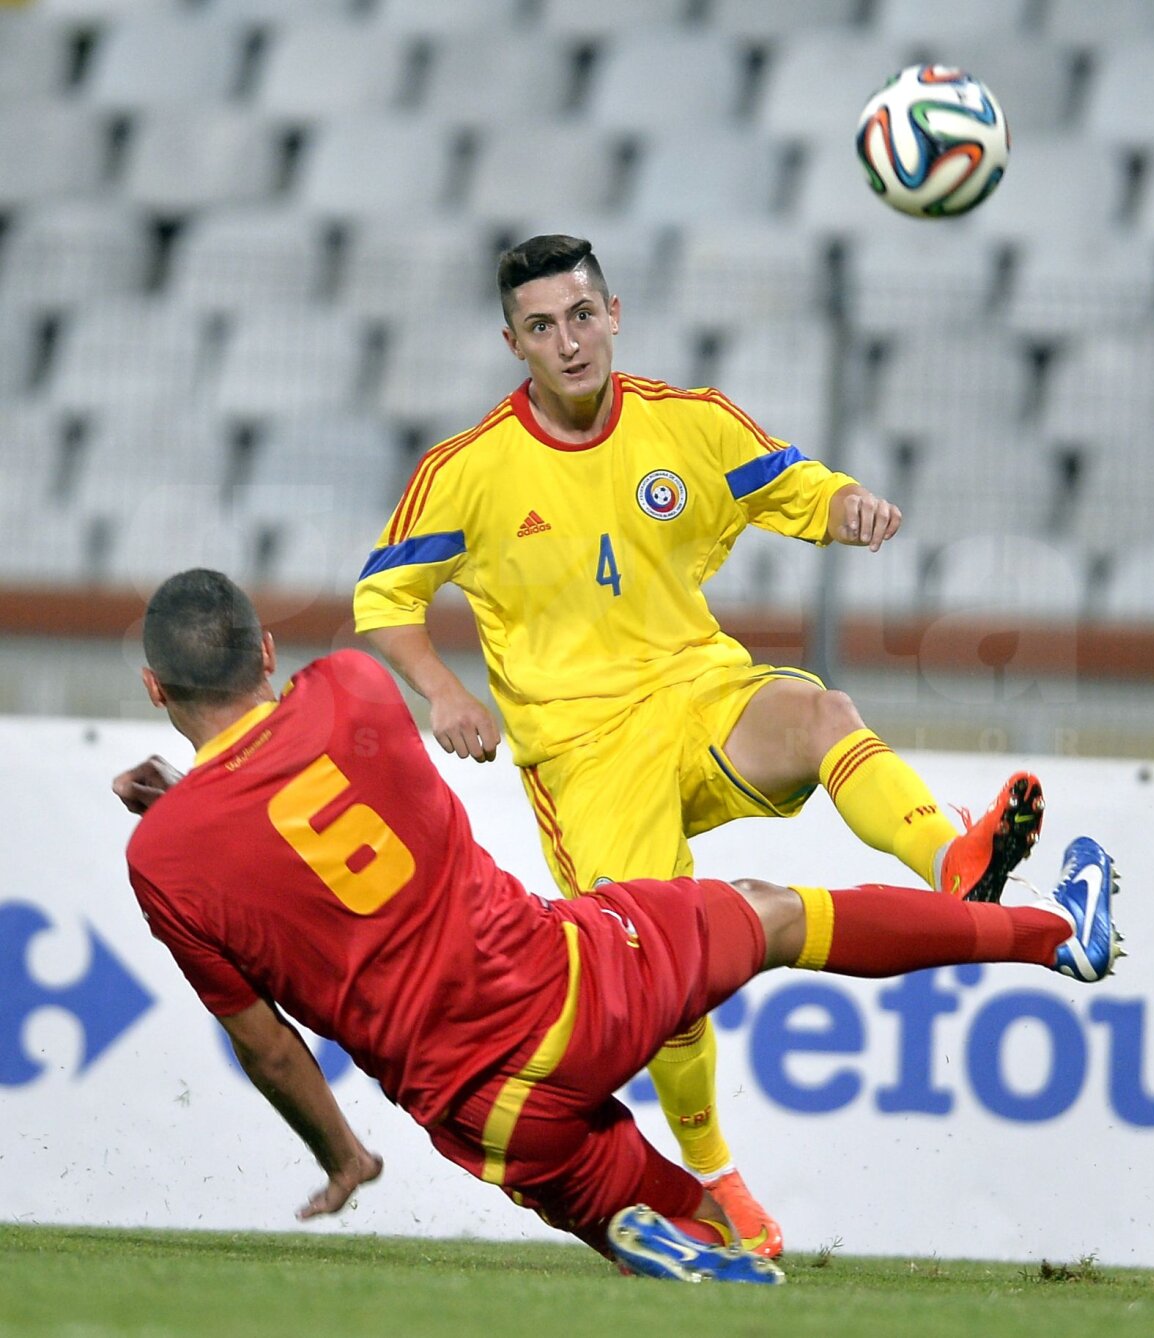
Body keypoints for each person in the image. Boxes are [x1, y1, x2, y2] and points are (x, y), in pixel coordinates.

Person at [117, 570, 1121, 1284]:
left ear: (156, 690)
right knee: (774, 917)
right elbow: (300, 779)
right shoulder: (351, 689)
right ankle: (1049, 936)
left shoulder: (164, 863)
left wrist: (345, 1157)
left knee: (719, 1238)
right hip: (574, 986)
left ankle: (680, 1230)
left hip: (490, 1116)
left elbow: (272, 1051)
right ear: (268, 650)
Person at [351, 234, 1046, 1254]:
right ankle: (718, 1182)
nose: (570, 340)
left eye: (582, 315)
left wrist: (847, 508)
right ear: (514, 344)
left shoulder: (690, 422)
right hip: (583, 753)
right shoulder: (467, 472)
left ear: (615, 313)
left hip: (697, 692)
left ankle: (955, 858)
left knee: (820, 714)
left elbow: (794, 485)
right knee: (661, 969)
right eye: (542, 326)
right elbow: (384, 599)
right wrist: (445, 692)